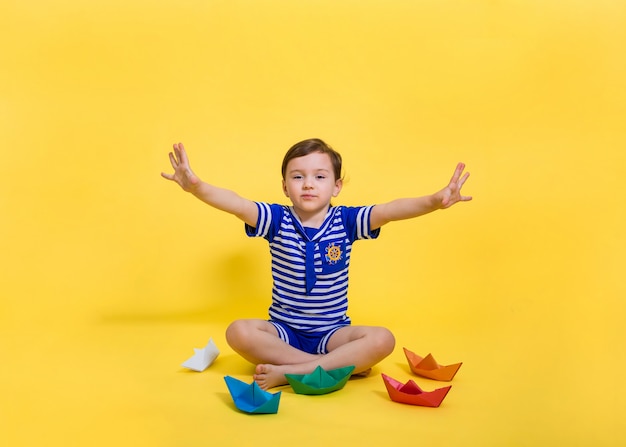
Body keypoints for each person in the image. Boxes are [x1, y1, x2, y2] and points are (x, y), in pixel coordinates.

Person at [161, 138, 472, 389]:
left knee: (382, 339)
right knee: (237, 332)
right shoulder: (277, 219)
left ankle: (295, 371)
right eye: (298, 177)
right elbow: (238, 204)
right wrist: (197, 187)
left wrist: (435, 201)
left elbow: (390, 210)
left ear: (335, 186)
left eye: (319, 177)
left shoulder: (347, 221)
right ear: (285, 187)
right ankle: (327, 367)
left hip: (332, 334)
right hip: (284, 332)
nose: (308, 184)